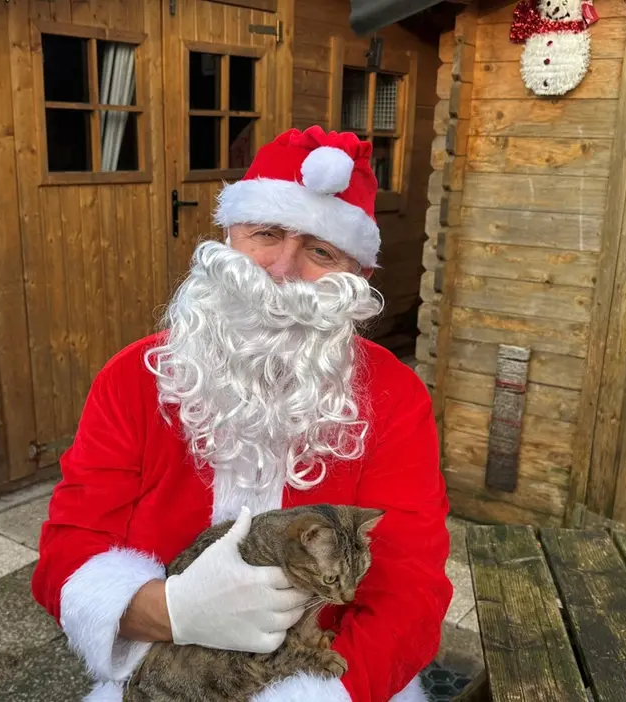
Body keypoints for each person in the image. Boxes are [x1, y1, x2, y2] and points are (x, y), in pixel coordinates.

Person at [31, 125, 453, 702]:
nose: (282, 268)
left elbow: (411, 589)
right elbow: (69, 549)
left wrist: (311, 694)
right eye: (266, 233)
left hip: (330, 682)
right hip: (165, 676)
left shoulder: (394, 396)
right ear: (229, 237)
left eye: (321, 251)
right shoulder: (133, 377)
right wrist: (174, 611)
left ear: (358, 279)